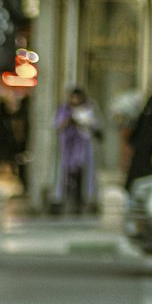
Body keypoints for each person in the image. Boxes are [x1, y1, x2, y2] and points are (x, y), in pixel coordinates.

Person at [51, 85, 100, 214]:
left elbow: (94, 125)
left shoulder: (88, 109)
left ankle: (80, 201)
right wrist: (69, 120)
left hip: (82, 149)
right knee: (65, 176)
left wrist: (81, 122)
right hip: (66, 148)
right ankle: (64, 201)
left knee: (81, 177)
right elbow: (58, 125)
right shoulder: (64, 110)